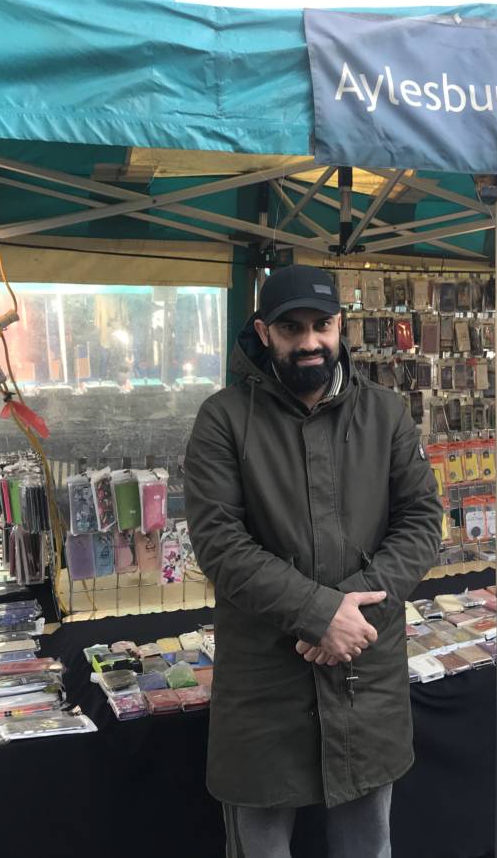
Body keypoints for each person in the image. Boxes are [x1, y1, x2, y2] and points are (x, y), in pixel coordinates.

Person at [184, 264, 443, 858]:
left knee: (366, 845)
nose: (309, 342)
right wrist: (318, 612)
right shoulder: (223, 419)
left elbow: (422, 521)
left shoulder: (385, 414)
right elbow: (220, 544)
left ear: (340, 326)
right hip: (266, 682)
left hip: (363, 671)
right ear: (263, 331)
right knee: (260, 846)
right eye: (291, 327)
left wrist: (350, 613)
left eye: (321, 325)